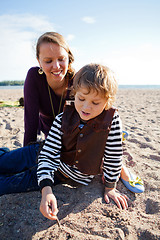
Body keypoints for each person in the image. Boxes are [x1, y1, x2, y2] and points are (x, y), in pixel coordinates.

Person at [37, 63, 129, 221]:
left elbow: (114, 156)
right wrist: (46, 190)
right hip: (44, 156)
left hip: (63, 174)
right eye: (81, 98)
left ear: (108, 102)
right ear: (74, 93)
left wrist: (110, 187)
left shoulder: (111, 121)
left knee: (8, 184)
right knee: (8, 161)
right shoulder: (62, 118)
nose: (86, 107)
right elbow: (48, 155)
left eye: (95, 103)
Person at [23, 32, 75, 146]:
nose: (56, 66)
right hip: (48, 133)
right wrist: (26, 155)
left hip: (73, 139)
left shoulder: (77, 81)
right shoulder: (34, 77)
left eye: (61, 59)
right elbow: (30, 124)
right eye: (48, 61)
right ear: (39, 61)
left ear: (68, 58)